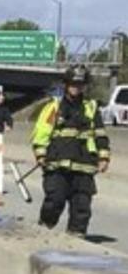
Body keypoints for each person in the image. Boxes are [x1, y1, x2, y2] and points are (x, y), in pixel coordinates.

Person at [32, 64, 111, 237]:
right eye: (73, 83)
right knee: (54, 200)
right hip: (56, 163)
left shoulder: (91, 107)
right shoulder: (53, 107)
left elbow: (100, 134)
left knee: (82, 206)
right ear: (66, 84)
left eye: (80, 84)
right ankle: (43, 230)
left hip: (84, 164)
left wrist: (104, 157)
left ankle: (76, 238)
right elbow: (41, 133)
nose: (77, 87)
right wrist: (40, 154)